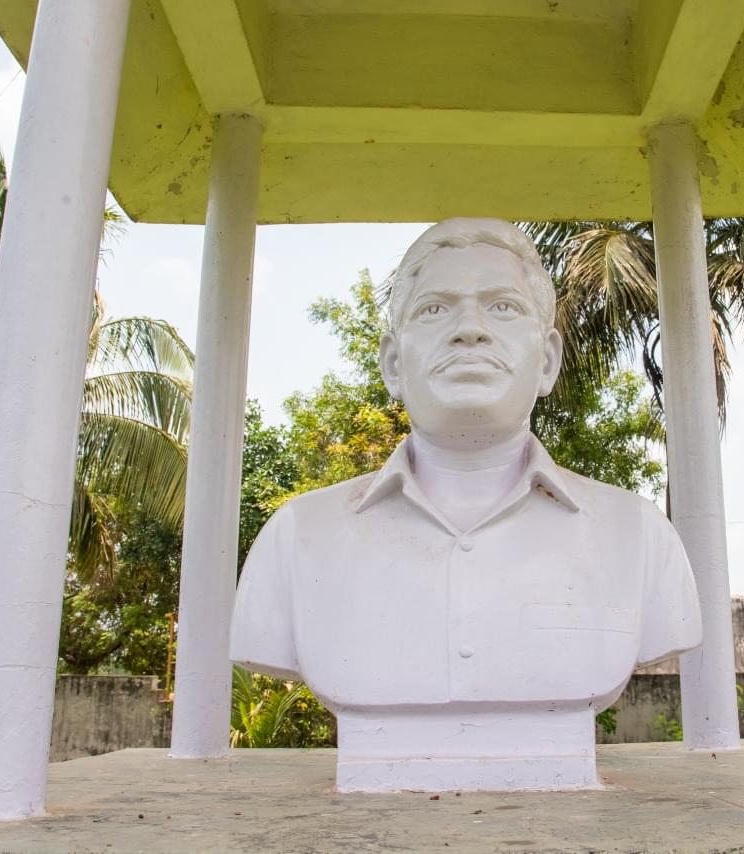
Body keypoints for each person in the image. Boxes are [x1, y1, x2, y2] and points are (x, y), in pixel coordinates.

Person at [230, 218, 701, 792]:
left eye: (502, 307)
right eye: (434, 310)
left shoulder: (640, 535)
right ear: (392, 364)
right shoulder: (295, 538)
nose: (469, 330)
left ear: (548, 360)